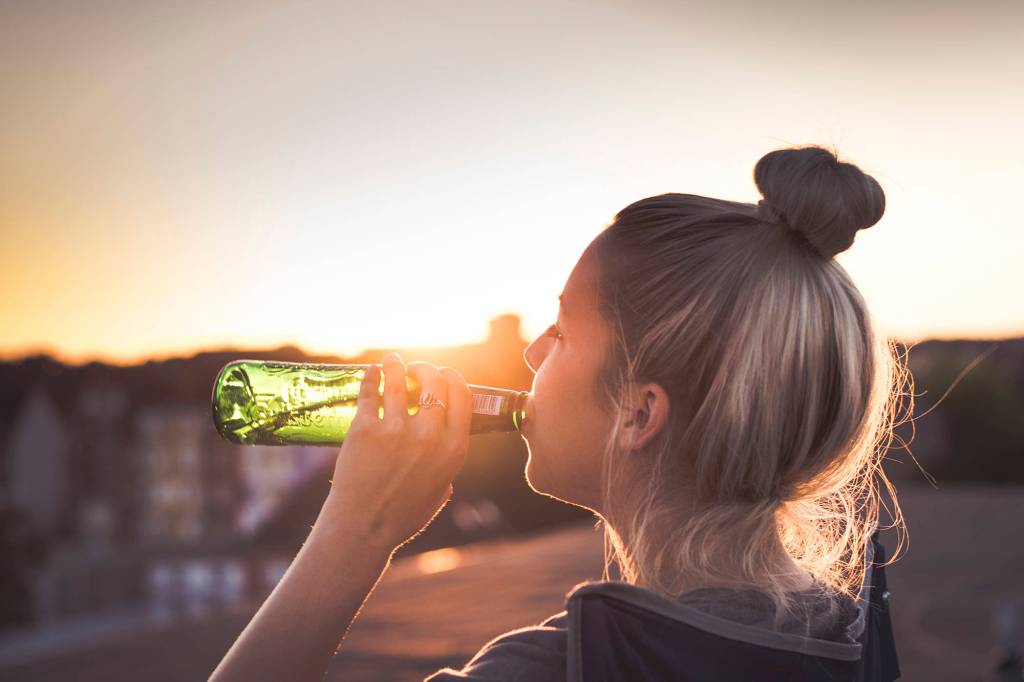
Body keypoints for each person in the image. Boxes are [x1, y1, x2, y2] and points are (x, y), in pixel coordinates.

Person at [209, 145, 908, 681]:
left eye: (565, 331)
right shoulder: (852, 635)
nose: (534, 355)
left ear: (638, 415)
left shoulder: (561, 669)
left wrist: (359, 527)